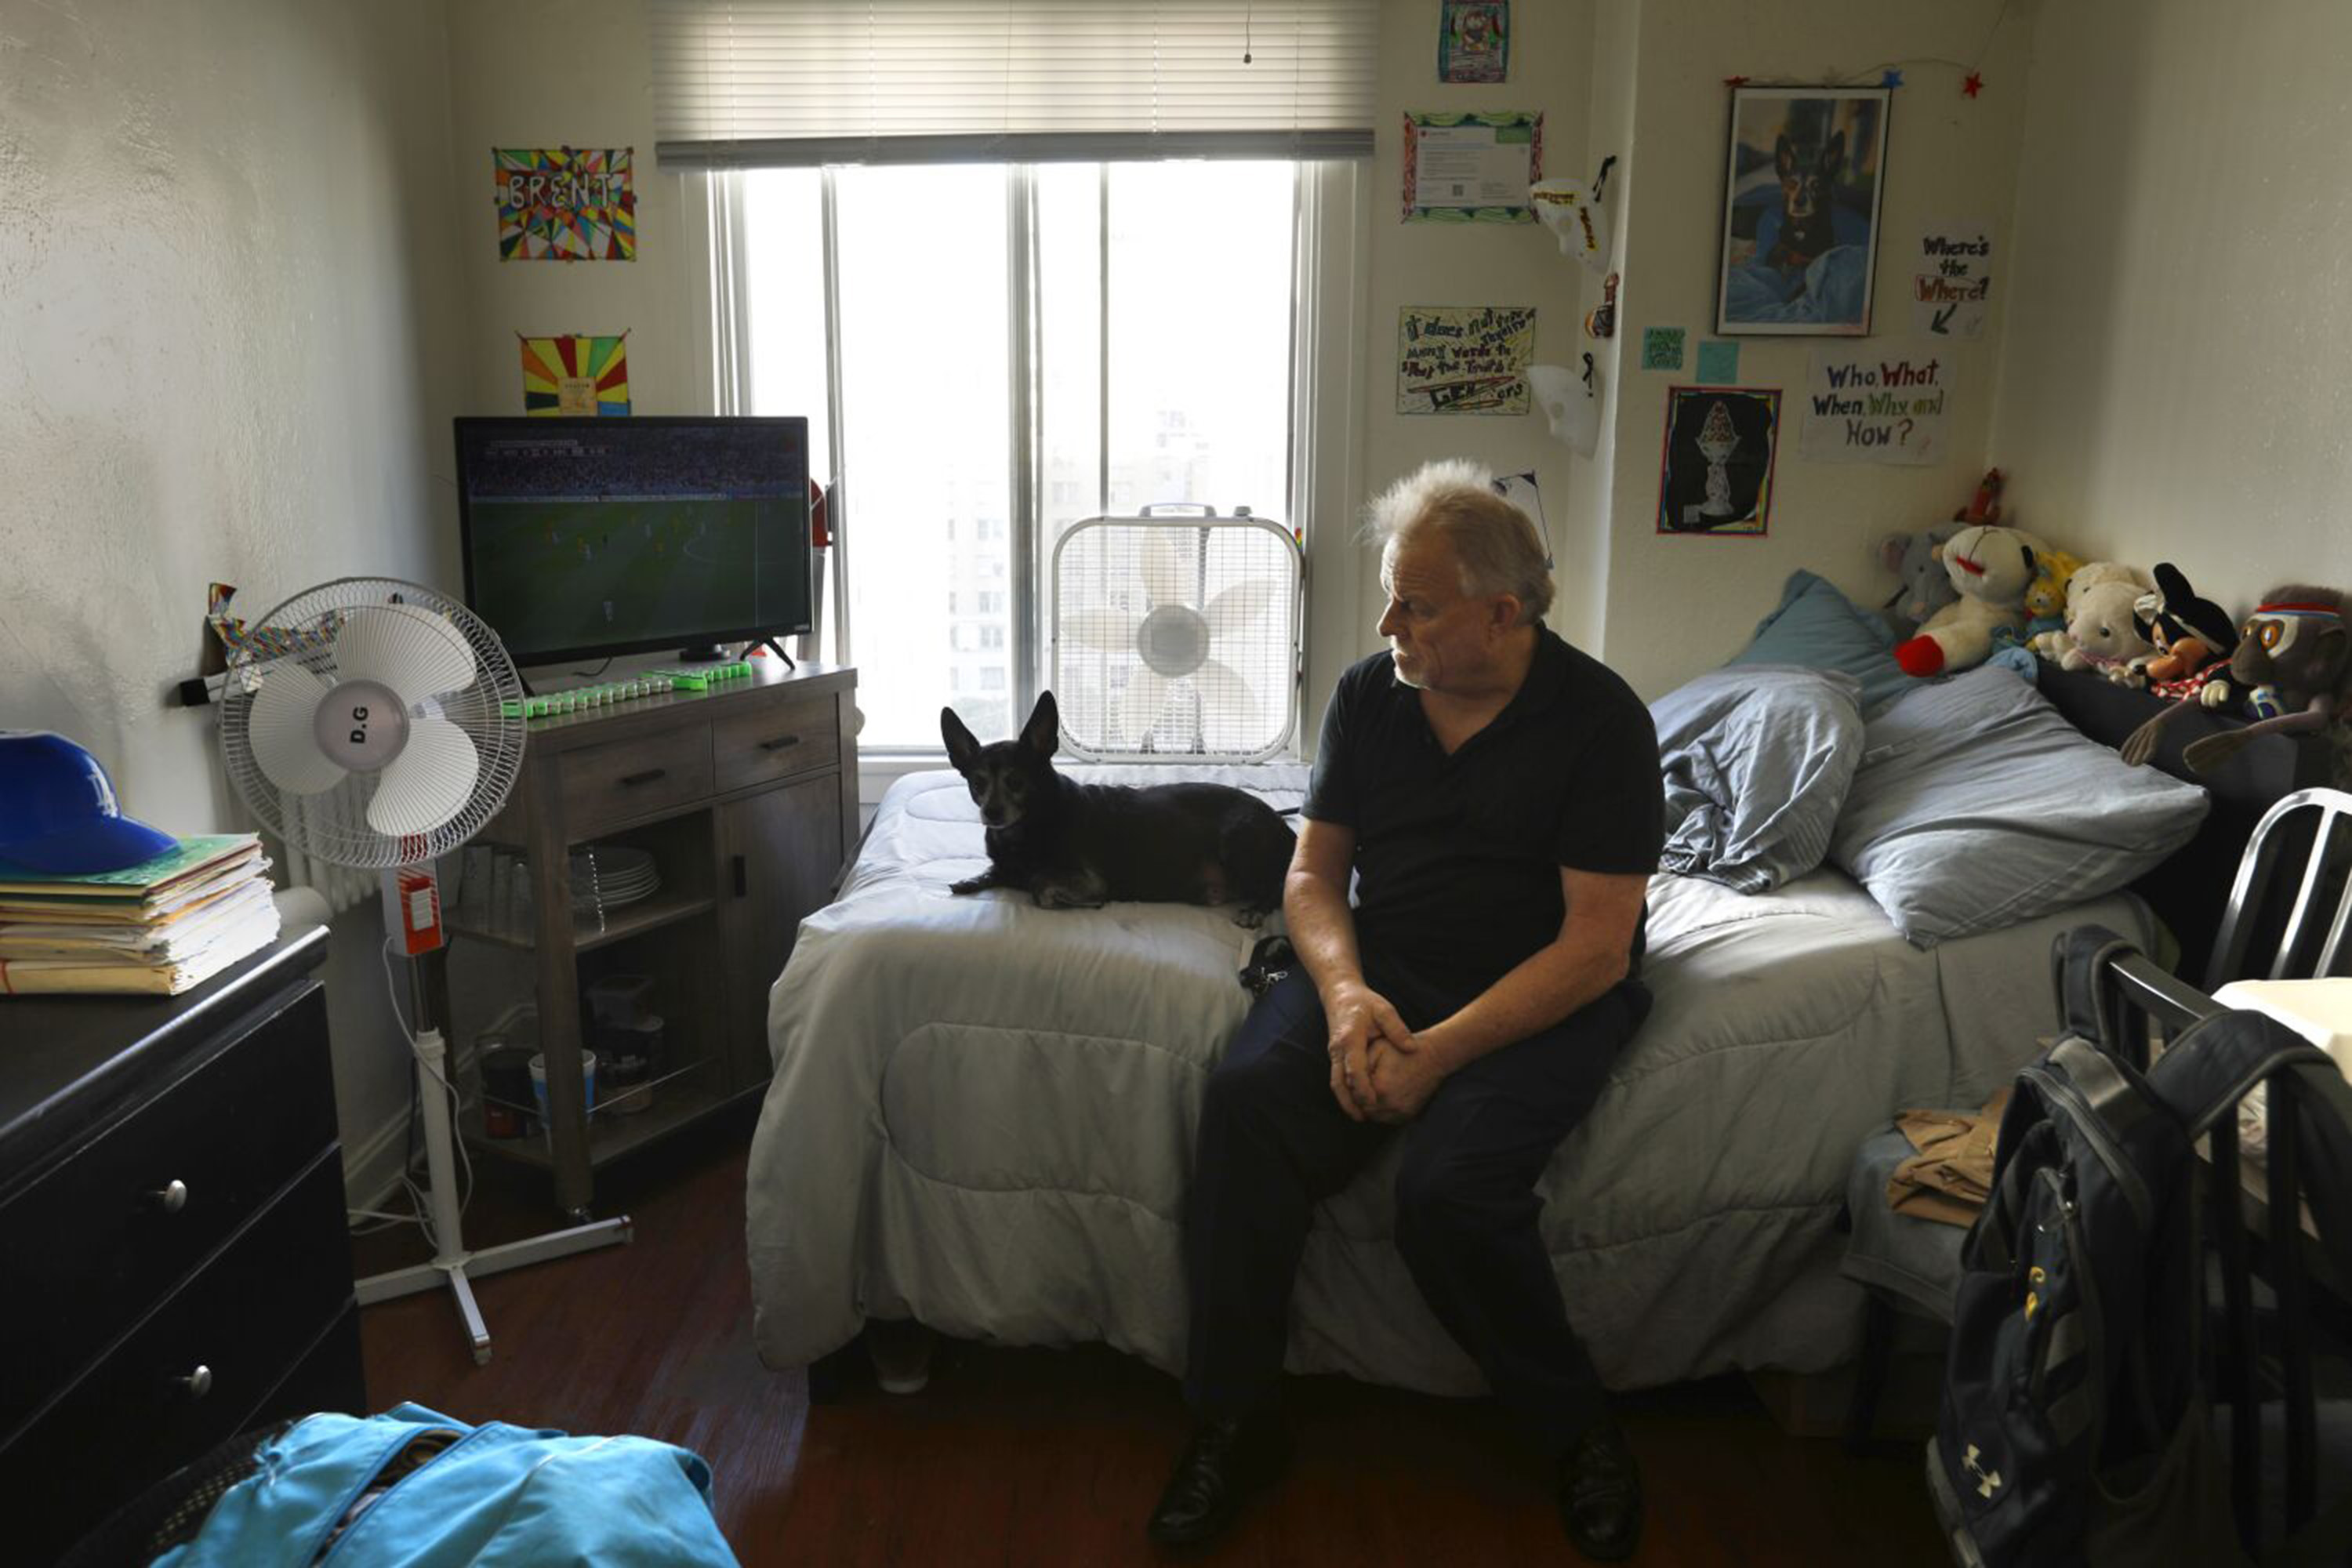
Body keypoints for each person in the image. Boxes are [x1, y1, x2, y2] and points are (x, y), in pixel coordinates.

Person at [1147, 459, 1665, 1560]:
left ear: (1502, 612)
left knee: (1447, 1194)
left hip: (1541, 991)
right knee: (1246, 1106)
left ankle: (1577, 1434)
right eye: (1392, 595)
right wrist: (1344, 1000)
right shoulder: (1367, 696)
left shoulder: (1601, 722)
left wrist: (1434, 1058)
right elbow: (1311, 879)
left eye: (1415, 605)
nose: (1387, 622)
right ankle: (1235, 1422)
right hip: (1385, 968)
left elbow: (1596, 947)